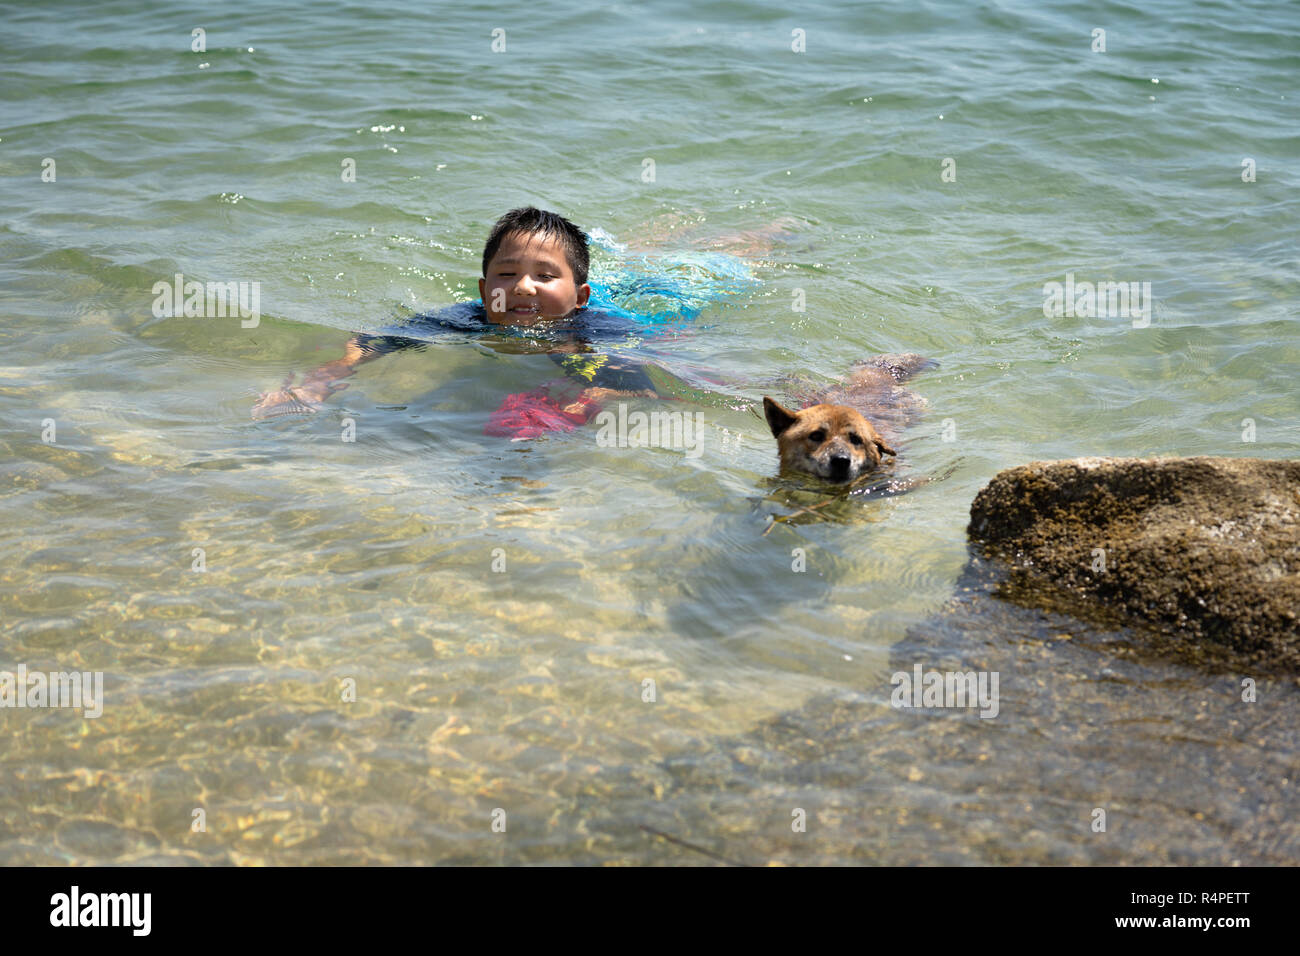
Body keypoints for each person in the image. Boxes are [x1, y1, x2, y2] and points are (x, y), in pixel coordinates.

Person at [252, 207, 664, 431]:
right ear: (485, 292)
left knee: (655, 280)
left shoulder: (598, 334)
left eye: (545, 276)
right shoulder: (468, 319)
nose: (523, 287)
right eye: (507, 274)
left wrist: (581, 402)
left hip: (647, 300)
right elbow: (377, 339)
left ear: (579, 297)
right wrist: (324, 379)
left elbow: (641, 391)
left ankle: (658, 247)